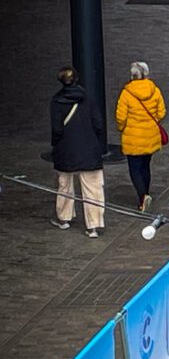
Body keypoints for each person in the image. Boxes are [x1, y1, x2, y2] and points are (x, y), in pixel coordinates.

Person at [49, 66, 106, 238]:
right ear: (77, 79)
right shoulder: (88, 98)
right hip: (89, 150)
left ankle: (64, 218)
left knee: (65, 186)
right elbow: (98, 124)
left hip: (66, 150)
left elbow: (57, 129)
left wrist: (56, 145)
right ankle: (93, 226)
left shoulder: (56, 101)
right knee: (93, 189)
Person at [114, 61, 166, 212]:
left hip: (133, 137)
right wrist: (152, 121)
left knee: (134, 169)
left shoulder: (126, 93)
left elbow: (120, 117)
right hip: (150, 135)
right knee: (145, 166)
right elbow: (161, 112)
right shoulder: (154, 90)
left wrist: (122, 128)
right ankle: (146, 194)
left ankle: (142, 197)